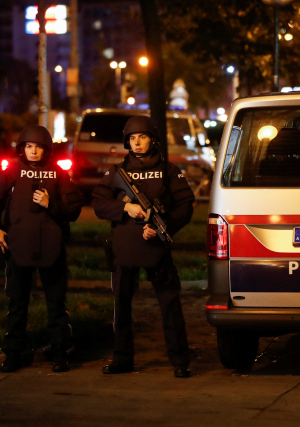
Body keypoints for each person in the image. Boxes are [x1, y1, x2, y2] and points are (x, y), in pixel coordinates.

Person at [92, 115, 195, 378]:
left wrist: (165, 227)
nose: (137, 143)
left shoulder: (169, 171)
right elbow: (99, 203)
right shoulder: (116, 172)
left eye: (143, 137)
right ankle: (122, 359)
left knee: (170, 306)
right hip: (125, 246)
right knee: (121, 307)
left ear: (153, 139)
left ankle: (180, 361)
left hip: (157, 246)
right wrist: (125, 207)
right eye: (132, 138)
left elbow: (185, 205)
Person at [0, 125, 83, 373]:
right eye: (29, 146)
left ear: (46, 150)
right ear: (22, 148)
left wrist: (51, 205)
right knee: (17, 303)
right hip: (18, 247)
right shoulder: (10, 171)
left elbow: (74, 210)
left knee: (56, 304)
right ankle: (13, 353)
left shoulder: (59, 173)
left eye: (38, 147)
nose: (34, 151)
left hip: (52, 248)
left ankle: (60, 353)